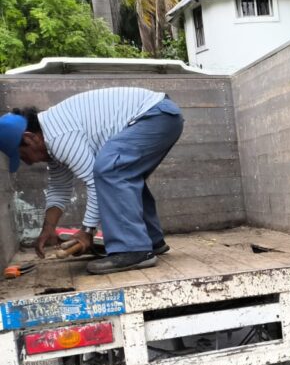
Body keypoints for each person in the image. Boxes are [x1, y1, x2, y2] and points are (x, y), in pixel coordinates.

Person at [0, 87, 183, 275]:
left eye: (23, 155)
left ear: (29, 138)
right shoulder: (51, 138)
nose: (28, 162)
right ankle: (151, 241)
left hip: (155, 116)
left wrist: (86, 231)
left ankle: (133, 250)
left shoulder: (58, 137)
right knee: (121, 173)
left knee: (109, 170)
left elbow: (95, 182)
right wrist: (49, 228)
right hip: (162, 115)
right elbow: (59, 187)